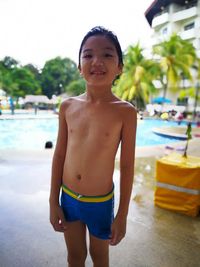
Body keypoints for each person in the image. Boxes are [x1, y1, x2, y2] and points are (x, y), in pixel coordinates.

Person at [49, 26, 137, 267]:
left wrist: (122, 215)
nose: (96, 61)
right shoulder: (67, 107)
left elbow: (128, 166)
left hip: (100, 202)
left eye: (107, 54)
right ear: (79, 66)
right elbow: (59, 155)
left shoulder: (126, 112)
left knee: (100, 257)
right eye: (88, 55)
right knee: (75, 256)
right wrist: (53, 201)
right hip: (68, 198)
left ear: (120, 67)